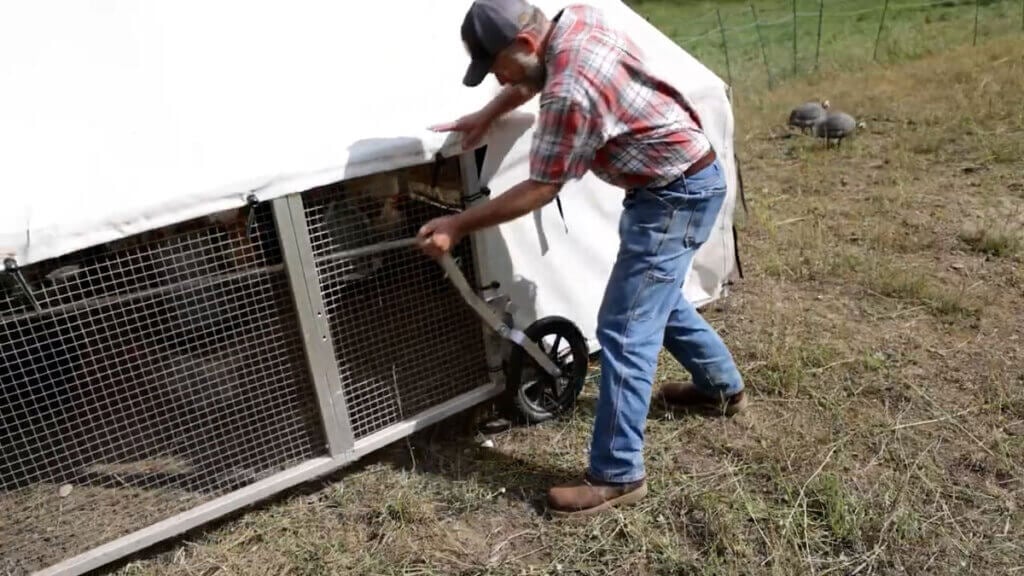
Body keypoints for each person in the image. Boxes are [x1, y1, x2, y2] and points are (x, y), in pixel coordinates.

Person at [418, 0, 747, 517]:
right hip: (680, 181)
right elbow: (529, 78)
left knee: (623, 326)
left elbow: (540, 188)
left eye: (494, 68)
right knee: (652, 302)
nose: (495, 80)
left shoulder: (570, 89)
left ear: (525, 44)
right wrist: (485, 116)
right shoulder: (577, 19)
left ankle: (617, 475)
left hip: (672, 195)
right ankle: (721, 389)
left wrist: (456, 224)